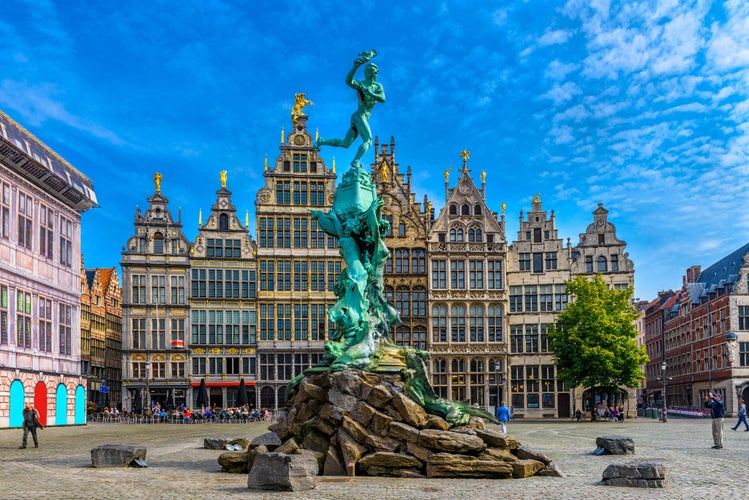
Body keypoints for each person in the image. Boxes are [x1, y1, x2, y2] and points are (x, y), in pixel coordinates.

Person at [315, 50, 386, 168]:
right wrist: (355, 66)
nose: (368, 71)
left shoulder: (378, 86)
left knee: (345, 143)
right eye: (367, 69)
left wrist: (371, 93)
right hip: (359, 116)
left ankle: (322, 141)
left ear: (375, 73)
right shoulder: (361, 84)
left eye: (370, 69)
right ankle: (356, 161)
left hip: (360, 118)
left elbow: (382, 99)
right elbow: (348, 81)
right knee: (368, 140)